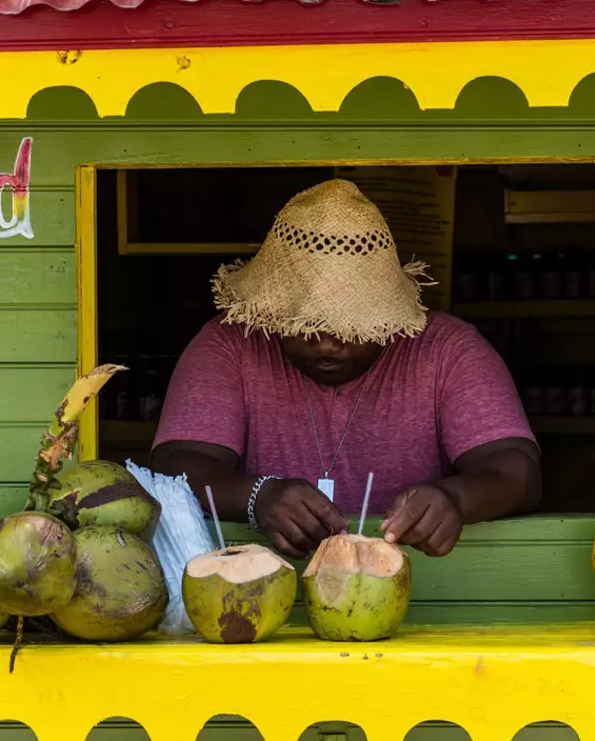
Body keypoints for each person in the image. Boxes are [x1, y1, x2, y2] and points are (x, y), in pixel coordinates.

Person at [150, 179, 541, 558]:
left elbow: (518, 472)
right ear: (269, 310)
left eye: (351, 325)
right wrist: (257, 496)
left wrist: (455, 498)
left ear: (391, 316)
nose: (325, 343)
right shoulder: (230, 343)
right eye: (303, 322)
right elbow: (173, 467)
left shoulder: (448, 349)